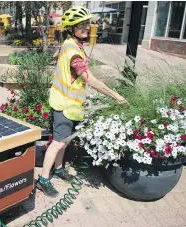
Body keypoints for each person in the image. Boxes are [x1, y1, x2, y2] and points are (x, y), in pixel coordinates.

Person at [36, 6, 128, 198]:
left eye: (87, 23)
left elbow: (57, 56)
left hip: (66, 103)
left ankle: (59, 169)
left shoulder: (69, 44)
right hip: (65, 105)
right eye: (81, 25)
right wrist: (116, 96)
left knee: (64, 142)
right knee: (58, 143)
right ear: (72, 28)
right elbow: (91, 80)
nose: (86, 27)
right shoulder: (74, 53)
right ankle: (43, 180)